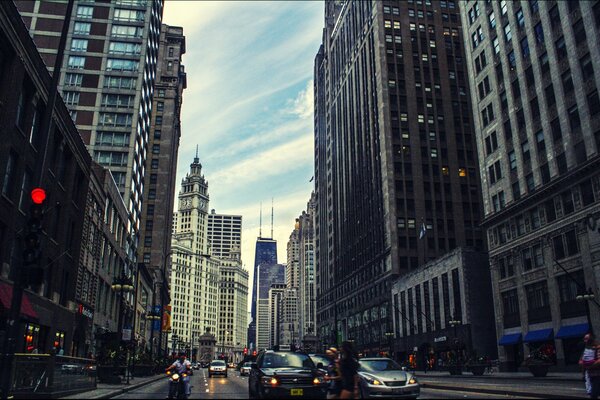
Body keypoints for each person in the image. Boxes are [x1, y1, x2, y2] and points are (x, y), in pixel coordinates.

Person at [581, 333, 600, 399]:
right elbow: (583, 361)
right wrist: (583, 373)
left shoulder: (597, 348)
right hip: (592, 374)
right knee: (594, 393)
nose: (585, 341)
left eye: (586, 339)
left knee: (594, 394)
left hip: (596, 373)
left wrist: (589, 367)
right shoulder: (587, 349)